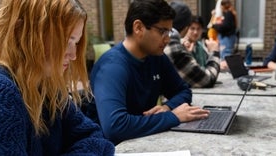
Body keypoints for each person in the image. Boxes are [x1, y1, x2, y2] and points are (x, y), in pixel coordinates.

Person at [0, 0, 115, 155]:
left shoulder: (45, 87)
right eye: (66, 41)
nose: (73, 54)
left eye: (75, 42)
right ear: (26, 33)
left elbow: (95, 139)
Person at [85, 0, 210, 145]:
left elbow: (183, 91)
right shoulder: (112, 67)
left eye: (169, 32)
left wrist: (167, 107)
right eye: (162, 31)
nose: (168, 39)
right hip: (109, 147)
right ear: (138, 28)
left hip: (142, 139)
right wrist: (173, 116)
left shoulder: (156, 57)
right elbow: (115, 127)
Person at [164, 13, 220, 88]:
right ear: (186, 28)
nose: (195, 32)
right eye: (192, 28)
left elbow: (204, 68)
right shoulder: (178, 46)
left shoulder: (201, 46)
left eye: (198, 28)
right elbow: (203, 79)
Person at [212, 0, 237, 71]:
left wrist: (215, 26)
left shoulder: (228, 14)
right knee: (227, 54)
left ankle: (227, 71)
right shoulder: (231, 13)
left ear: (223, 6)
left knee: (225, 55)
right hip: (229, 37)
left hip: (227, 38)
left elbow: (225, 27)